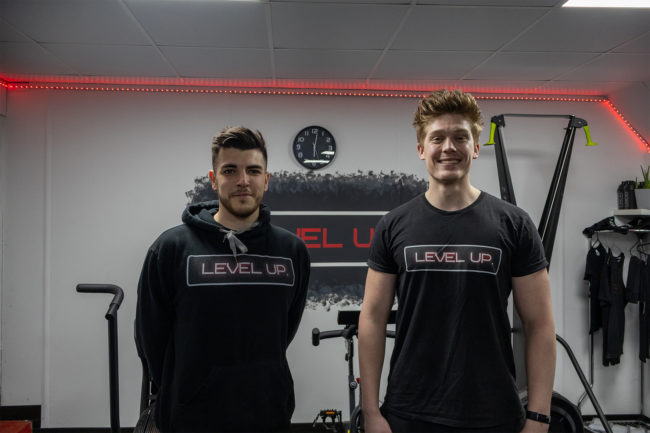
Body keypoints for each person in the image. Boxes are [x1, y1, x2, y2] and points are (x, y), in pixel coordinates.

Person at [358, 89, 556, 433]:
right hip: (409, 412)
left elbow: (539, 324)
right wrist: (371, 411)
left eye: (460, 137)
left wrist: (539, 417)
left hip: (493, 412)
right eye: (437, 138)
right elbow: (372, 319)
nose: (449, 147)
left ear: (476, 148)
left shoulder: (514, 224)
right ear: (421, 149)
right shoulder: (394, 225)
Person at [135, 126, 310, 433]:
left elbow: (285, 328)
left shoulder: (291, 251)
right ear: (214, 179)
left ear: (266, 180)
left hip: (268, 415)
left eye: (253, 171)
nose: (243, 181)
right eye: (230, 170)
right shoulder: (172, 248)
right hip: (190, 419)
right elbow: (151, 338)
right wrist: (185, 391)